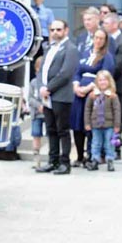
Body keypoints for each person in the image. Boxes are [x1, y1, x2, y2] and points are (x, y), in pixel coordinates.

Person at [36, 20, 79, 174]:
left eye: (58, 29)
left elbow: (66, 73)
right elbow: (41, 70)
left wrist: (48, 88)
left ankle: (64, 163)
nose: (55, 32)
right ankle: (52, 161)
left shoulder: (71, 49)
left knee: (63, 130)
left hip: (61, 96)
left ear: (66, 30)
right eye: (52, 29)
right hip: (46, 95)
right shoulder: (48, 48)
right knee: (51, 130)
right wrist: (41, 86)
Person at [70, 28, 115, 166]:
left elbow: (105, 75)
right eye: (96, 37)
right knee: (77, 125)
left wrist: (89, 87)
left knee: (90, 125)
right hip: (79, 94)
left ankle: (91, 156)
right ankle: (79, 156)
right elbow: (77, 71)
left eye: (101, 38)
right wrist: (76, 86)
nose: (98, 40)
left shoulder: (107, 56)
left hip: (94, 94)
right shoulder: (85, 53)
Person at [102, 13, 122, 155]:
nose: (103, 26)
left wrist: (104, 79)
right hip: (102, 86)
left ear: (114, 24)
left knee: (115, 119)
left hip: (115, 87)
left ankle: (115, 149)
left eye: (106, 23)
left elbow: (118, 66)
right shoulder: (105, 40)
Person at [84, 70, 121, 172]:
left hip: (109, 124)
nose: (102, 82)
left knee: (109, 144)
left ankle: (110, 160)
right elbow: (87, 109)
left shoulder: (112, 96)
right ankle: (95, 160)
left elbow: (117, 111)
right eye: (100, 80)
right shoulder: (92, 95)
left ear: (109, 82)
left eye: (105, 80)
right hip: (96, 124)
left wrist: (117, 125)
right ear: (97, 82)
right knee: (95, 143)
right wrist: (87, 123)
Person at [28, 62, 46, 166]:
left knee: (51, 133)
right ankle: (36, 158)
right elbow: (30, 98)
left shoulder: (49, 82)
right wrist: (38, 105)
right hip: (36, 113)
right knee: (36, 134)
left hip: (48, 112)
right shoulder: (33, 82)